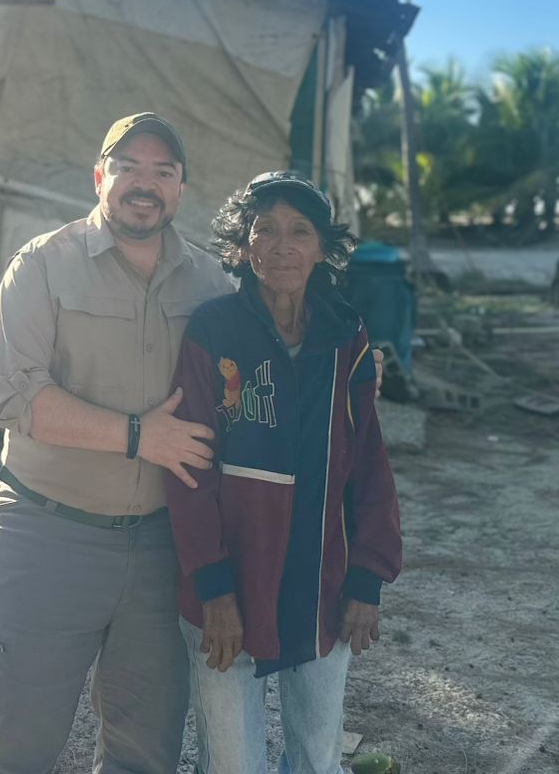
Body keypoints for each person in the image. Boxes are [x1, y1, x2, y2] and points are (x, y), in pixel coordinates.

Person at [0, 112, 235, 774]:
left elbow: (259, 373)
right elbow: (11, 393)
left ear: (180, 189)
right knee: (17, 743)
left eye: (163, 172)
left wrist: (347, 366)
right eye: (129, 168)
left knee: (146, 750)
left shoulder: (213, 283)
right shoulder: (42, 267)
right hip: (48, 535)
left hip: (160, 549)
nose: (144, 184)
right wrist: (140, 436)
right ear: (100, 177)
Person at [166, 172, 403, 774]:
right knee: (231, 764)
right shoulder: (213, 330)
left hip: (320, 586)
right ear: (241, 246)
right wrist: (214, 589)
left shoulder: (345, 335)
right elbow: (190, 471)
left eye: (300, 231)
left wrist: (367, 579)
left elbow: (368, 463)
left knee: (319, 759)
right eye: (263, 230)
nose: (281, 246)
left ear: (323, 248)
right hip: (230, 587)